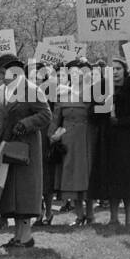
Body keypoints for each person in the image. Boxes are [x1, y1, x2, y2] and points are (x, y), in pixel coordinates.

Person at [0, 55, 52, 248]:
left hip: (26, 146)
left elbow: (45, 114)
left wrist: (25, 124)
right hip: (6, 146)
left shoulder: (32, 90)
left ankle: (26, 236)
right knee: (10, 192)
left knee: (24, 190)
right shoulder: (1, 91)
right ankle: (18, 236)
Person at [90, 58, 130, 226]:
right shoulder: (102, 88)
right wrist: (104, 110)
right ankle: (113, 217)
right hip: (108, 139)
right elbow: (92, 112)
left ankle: (129, 217)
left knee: (128, 178)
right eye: (112, 69)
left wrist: (121, 121)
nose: (115, 72)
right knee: (112, 179)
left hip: (128, 139)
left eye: (118, 69)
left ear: (125, 70)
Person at [50, 60, 96, 226]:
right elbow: (55, 117)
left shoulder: (94, 92)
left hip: (88, 137)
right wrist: (53, 135)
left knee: (87, 174)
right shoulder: (62, 93)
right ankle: (79, 214)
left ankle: (90, 214)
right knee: (72, 175)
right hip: (68, 138)